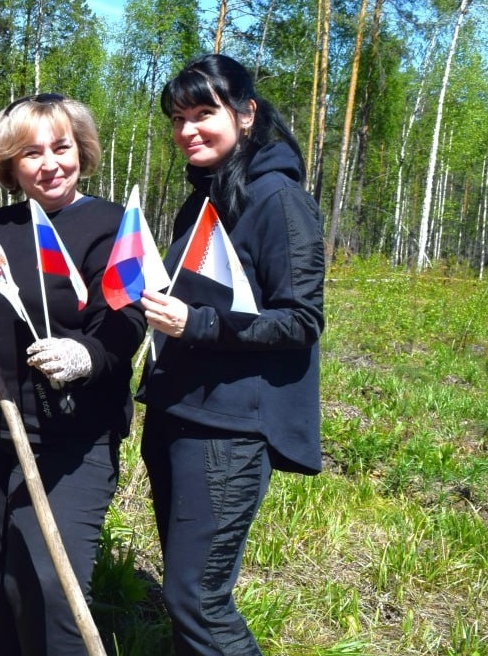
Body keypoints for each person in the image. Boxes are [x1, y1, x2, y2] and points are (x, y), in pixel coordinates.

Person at [0, 94, 147, 655]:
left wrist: (85, 355)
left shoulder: (110, 225)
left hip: (69, 438)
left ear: (81, 151)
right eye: (31, 153)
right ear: (11, 165)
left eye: (61, 147)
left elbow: (127, 319)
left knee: (48, 582)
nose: (50, 164)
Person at [138, 53, 325, 656]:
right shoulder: (205, 199)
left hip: (229, 430)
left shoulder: (279, 199)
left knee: (198, 599)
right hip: (179, 413)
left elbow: (301, 319)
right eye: (178, 119)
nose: (187, 130)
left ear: (246, 114)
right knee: (185, 594)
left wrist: (197, 323)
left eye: (203, 114)